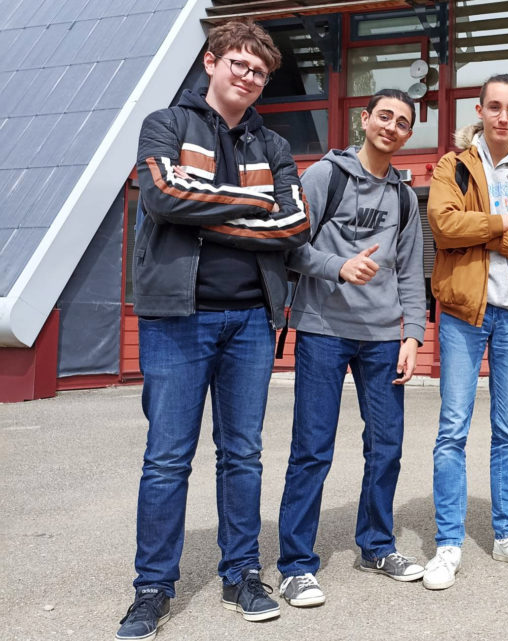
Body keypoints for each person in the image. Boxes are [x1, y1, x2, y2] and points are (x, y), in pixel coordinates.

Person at [117, 20, 311, 640]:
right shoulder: (166, 125)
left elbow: (295, 226)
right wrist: (251, 202)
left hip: (251, 320)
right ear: (211, 62)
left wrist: (210, 208)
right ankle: (152, 588)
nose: (249, 78)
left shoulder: (274, 146)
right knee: (168, 459)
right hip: (179, 317)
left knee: (243, 455)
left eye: (259, 72)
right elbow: (163, 200)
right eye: (239, 65)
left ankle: (242, 574)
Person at [275, 89, 427, 607]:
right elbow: (288, 245)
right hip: (323, 330)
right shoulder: (324, 176)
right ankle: (296, 565)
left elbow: (409, 272)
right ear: (365, 120)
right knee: (312, 450)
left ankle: (377, 546)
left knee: (386, 448)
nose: (392, 126)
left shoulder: (405, 197)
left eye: (402, 122)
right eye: (384, 116)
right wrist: (335, 266)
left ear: (409, 135)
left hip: (384, 339)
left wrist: (413, 335)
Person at [423, 74, 508, 590]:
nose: (503, 117)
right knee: (452, 430)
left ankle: (507, 535)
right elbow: (443, 226)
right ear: (479, 111)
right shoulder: (453, 166)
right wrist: (507, 223)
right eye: (494, 107)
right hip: (464, 312)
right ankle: (448, 544)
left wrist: (485, 232)